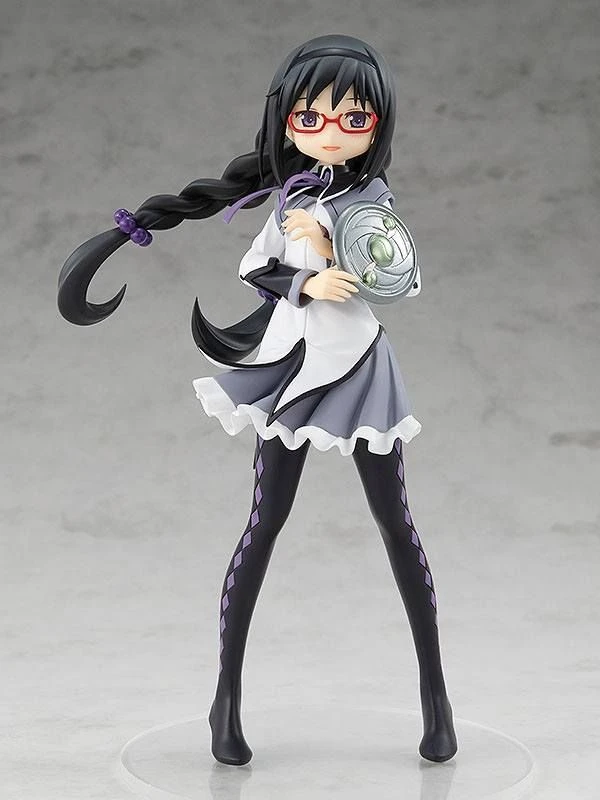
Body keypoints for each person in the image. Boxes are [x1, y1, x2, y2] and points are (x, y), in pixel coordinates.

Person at [58, 33, 457, 767]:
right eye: (310, 117)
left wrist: (331, 251)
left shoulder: (371, 199)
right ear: (285, 121)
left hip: (359, 368)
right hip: (291, 369)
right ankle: (226, 702)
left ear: (377, 125)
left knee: (395, 523)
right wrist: (303, 280)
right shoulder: (291, 195)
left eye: (353, 118)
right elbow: (257, 268)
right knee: (266, 520)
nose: (330, 132)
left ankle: (437, 700)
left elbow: (403, 277)